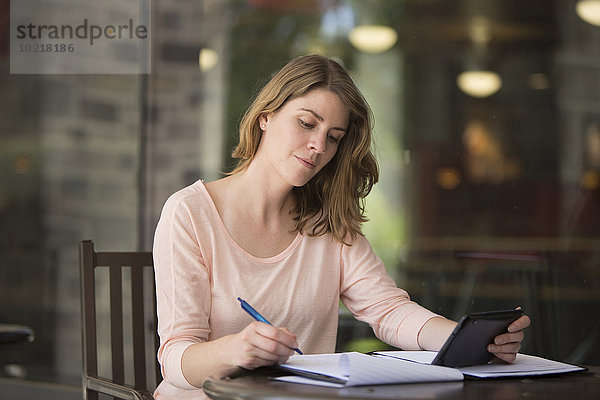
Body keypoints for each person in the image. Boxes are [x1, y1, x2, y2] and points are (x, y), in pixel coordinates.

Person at [152, 54, 531, 396]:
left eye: (333, 137)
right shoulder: (189, 213)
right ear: (265, 116)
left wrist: (462, 338)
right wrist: (233, 350)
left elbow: (388, 311)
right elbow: (175, 357)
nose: (319, 146)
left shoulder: (327, 222)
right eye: (306, 123)